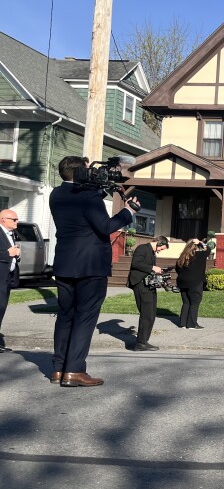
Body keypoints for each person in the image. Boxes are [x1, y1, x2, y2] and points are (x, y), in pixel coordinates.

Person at [50, 156, 139, 386]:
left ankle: (58, 369)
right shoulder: (88, 196)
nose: (92, 172)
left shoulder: (56, 194)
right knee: (85, 317)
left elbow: (82, 209)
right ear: (81, 172)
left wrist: (98, 190)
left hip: (64, 264)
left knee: (65, 316)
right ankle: (75, 371)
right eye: (88, 169)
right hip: (90, 266)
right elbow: (106, 226)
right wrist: (128, 211)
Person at [127, 236, 170, 351]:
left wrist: (157, 270)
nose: (160, 250)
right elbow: (135, 263)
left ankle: (144, 341)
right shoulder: (142, 248)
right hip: (140, 284)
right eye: (161, 248)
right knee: (146, 313)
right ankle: (140, 343)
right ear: (158, 242)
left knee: (151, 313)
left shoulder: (151, 251)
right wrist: (152, 267)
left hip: (148, 285)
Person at [175, 238, 209, 329]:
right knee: (195, 302)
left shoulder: (182, 256)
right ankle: (191, 324)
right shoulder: (200, 255)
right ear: (196, 247)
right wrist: (201, 243)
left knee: (186, 302)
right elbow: (208, 249)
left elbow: (177, 269)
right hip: (195, 282)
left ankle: (182, 323)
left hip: (182, 282)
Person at [0, 209, 21, 353]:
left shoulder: (11, 234)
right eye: (14, 219)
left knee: (1, 310)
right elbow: (7, 253)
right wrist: (8, 253)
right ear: (3, 219)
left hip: (6, 279)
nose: (17, 222)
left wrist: (16, 256)